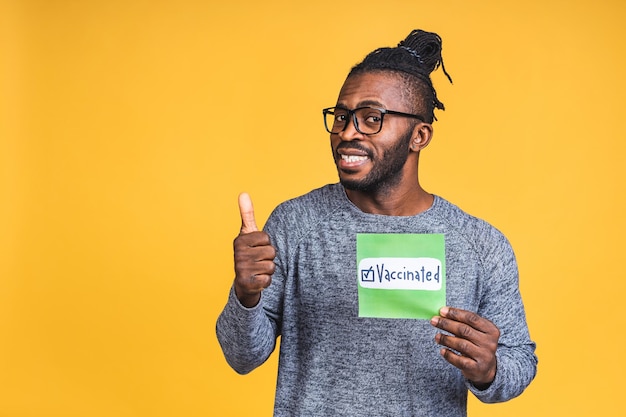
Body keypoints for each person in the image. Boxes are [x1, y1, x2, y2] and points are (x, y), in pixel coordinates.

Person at [216, 29, 537, 416]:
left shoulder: (480, 244)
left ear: (419, 135)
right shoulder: (295, 224)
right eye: (341, 116)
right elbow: (241, 357)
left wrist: (490, 370)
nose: (347, 133)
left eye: (371, 118)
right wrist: (246, 296)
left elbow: (520, 361)